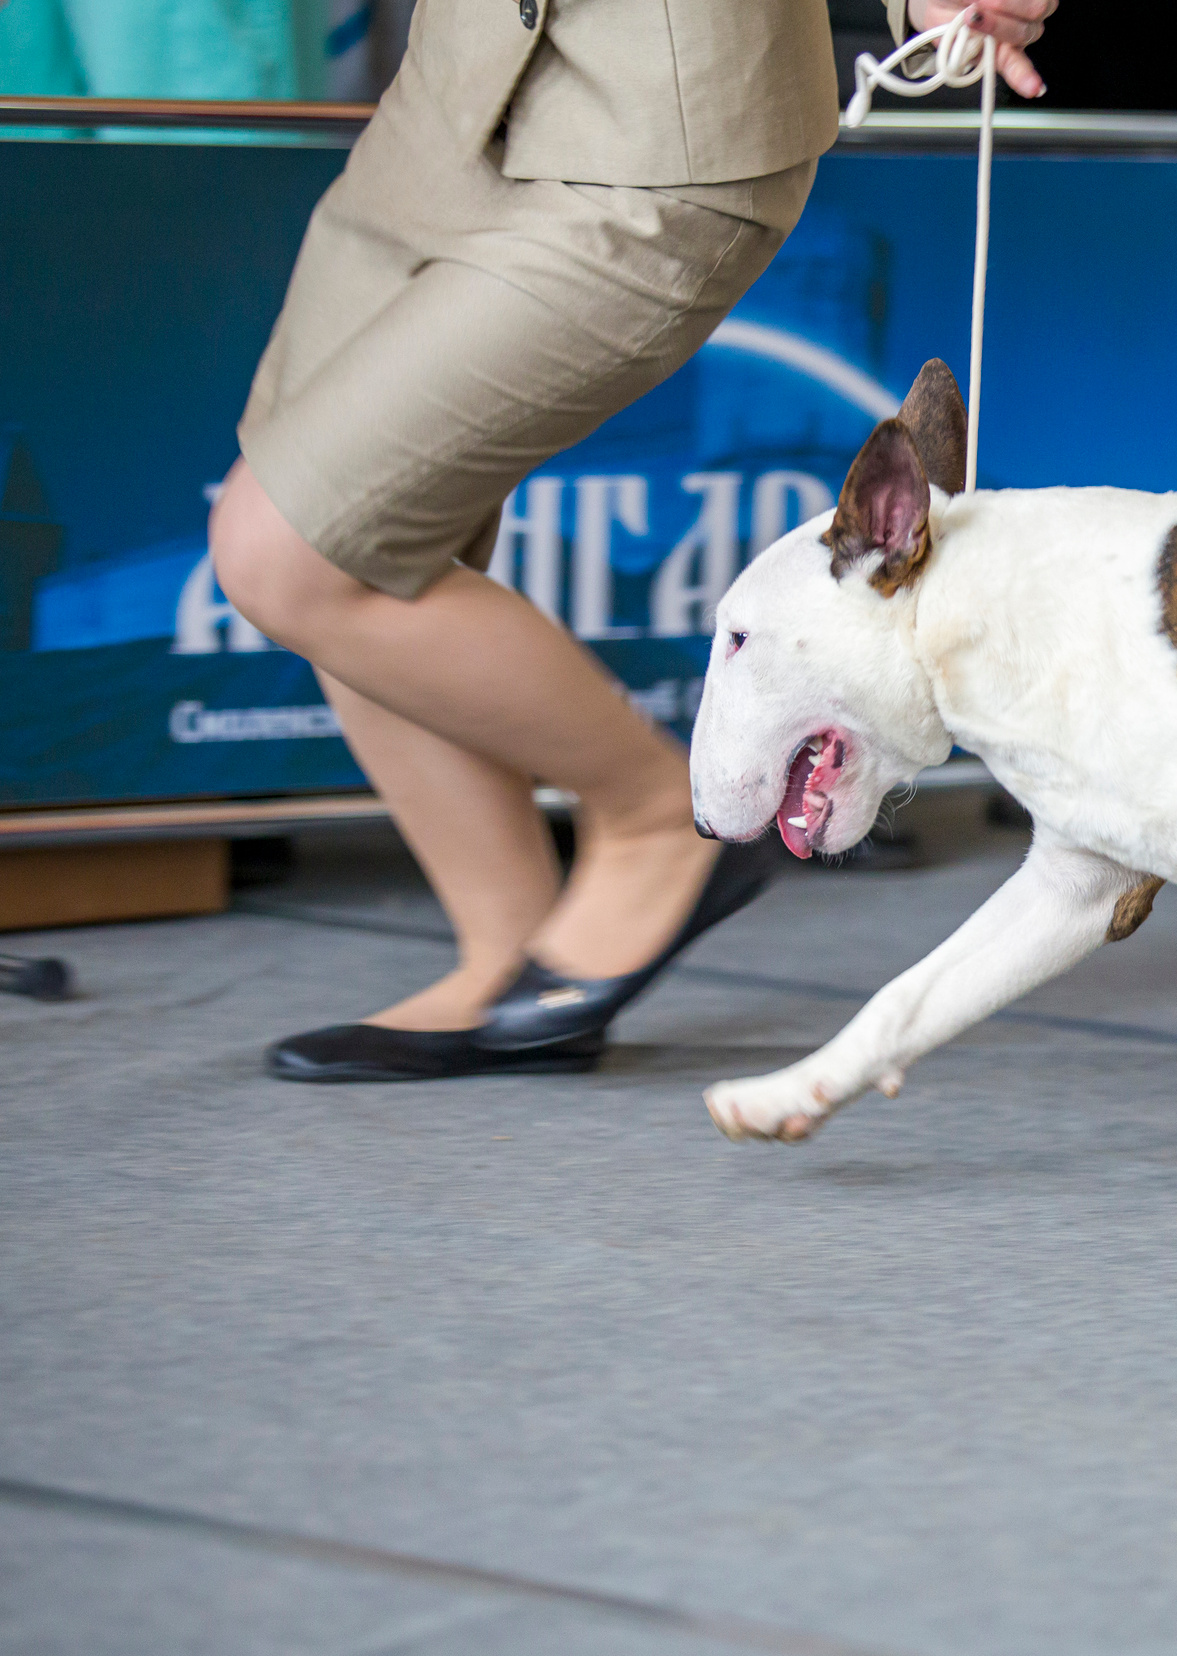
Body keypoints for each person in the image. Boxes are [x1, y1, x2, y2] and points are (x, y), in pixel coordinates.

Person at [208, 0, 1059, 1083]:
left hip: (661, 129)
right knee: (361, 528)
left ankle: (656, 821)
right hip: (449, 103)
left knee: (296, 547)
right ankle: (513, 954)